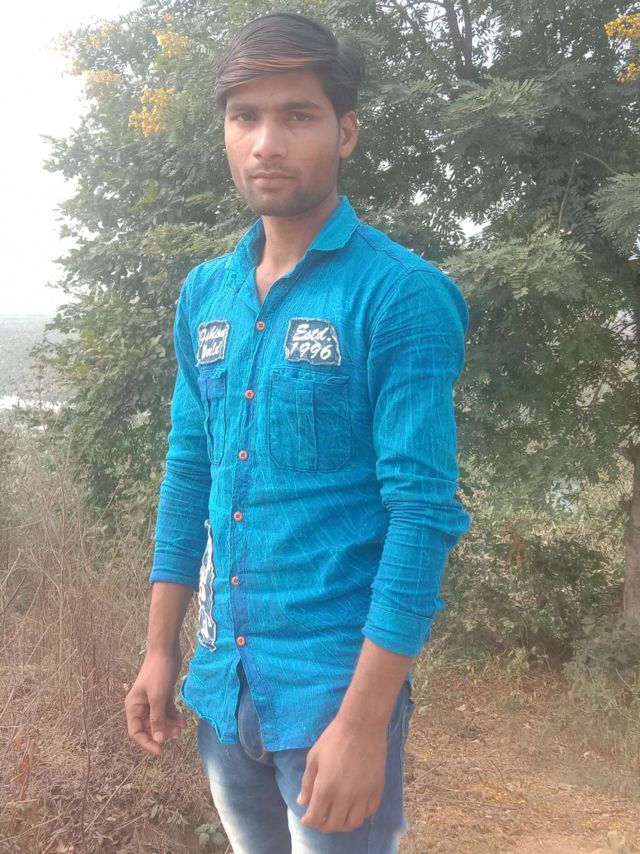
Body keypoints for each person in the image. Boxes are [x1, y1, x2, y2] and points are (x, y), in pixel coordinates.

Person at [124, 11, 472, 854]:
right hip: (223, 683)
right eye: (244, 116)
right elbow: (190, 471)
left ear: (345, 131)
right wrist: (160, 649)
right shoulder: (205, 295)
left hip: (333, 699)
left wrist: (365, 722)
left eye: (298, 115)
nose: (266, 142)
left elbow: (422, 513)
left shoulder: (399, 295)